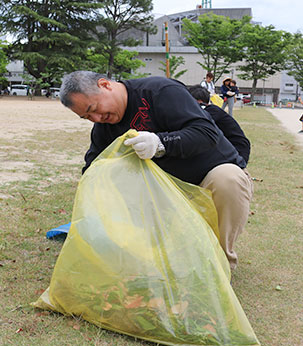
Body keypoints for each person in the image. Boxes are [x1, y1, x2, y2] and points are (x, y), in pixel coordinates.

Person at [59, 71, 253, 270]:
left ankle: (218, 264)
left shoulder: (160, 91)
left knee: (228, 179)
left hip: (208, 179)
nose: (97, 118)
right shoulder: (104, 126)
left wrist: (161, 142)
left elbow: (206, 133)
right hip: (166, 195)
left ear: (105, 85)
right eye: (87, 117)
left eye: (94, 108)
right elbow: (94, 168)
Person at [188, 86, 250, 163]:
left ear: (199, 101)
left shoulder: (211, 111)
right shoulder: (209, 111)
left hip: (237, 150)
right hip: (228, 149)